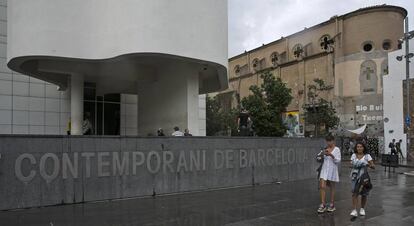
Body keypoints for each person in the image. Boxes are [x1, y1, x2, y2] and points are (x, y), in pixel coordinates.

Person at [317, 135, 341, 214]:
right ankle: (323, 204)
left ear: (333, 141)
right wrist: (321, 155)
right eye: (327, 141)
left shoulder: (337, 149)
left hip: (332, 170)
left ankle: (332, 204)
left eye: (330, 141)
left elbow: (338, 161)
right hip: (324, 169)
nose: (328, 142)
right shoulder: (325, 149)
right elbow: (318, 158)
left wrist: (331, 155)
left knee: (332, 187)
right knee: (322, 186)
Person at [350, 142, 375, 217]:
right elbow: (350, 164)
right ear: (356, 148)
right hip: (354, 176)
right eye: (358, 147)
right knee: (355, 192)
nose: (359, 148)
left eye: (361, 147)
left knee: (364, 193)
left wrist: (368, 164)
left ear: (363, 148)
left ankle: (362, 208)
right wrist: (355, 164)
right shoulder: (354, 155)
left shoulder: (367, 156)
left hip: (364, 177)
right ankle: (354, 210)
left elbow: (373, 166)